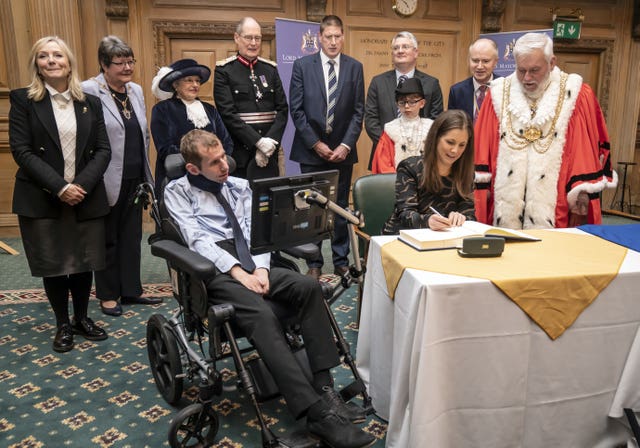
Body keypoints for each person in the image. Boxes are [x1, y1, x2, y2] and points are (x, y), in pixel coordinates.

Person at [164, 129, 376, 448]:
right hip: (214, 270)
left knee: (308, 287)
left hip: (254, 259)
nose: (225, 165)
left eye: (224, 156)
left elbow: (256, 232)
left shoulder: (239, 186)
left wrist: (260, 268)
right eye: (214, 162)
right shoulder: (177, 191)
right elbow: (197, 239)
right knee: (261, 313)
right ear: (193, 168)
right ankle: (316, 414)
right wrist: (240, 273)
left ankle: (325, 391)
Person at [9, 36, 110, 352]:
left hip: (85, 195)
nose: (51, 60)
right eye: (43, 56)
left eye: (57, 55)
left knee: (83, 262)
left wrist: (80, 186)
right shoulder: (23, 100)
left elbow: (103, 151)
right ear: (36, 64)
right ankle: (63, 324)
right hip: (42, 197)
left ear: (69, 63)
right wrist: (60, 187)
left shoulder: (90, 102)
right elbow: (22, 151)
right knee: (54, 264)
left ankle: (81, 318)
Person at [474, 32, 616, 229]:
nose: (527, 78)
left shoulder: (576, 95)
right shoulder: (498, 94)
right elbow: (482, 149)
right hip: (505, 205)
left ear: (551, 62)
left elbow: (584, 148)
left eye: (534, 70)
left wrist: (582, 192)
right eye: (521, 70)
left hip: (556, 204)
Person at [82, 36, 161, 316]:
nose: (128, 67)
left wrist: (146, 174)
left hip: (135, 176)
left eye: (130, 61)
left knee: (131, 236)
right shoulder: (89, 90)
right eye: (120, 62)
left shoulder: (135, 90)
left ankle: (130, 290)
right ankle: (108, 295)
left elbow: (143, 133)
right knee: (107, 238)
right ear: (104, 64)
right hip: (105, 178)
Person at [289, 15, 365, 280]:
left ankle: (341, 260)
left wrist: (345, 145)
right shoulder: (302, 66)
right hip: (311, 151)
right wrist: (316, 144)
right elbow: (296, 110)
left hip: (343, 152)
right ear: (319, 38)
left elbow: (358, 111)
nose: (333, 41)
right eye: (328, 36)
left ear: (343, 37)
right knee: (311, 208)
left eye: (337, 36)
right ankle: (314, 261)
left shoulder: (355, 67)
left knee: (340, 206)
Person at [214, 17, 288, 180]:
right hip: (241, 154)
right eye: (248, 37)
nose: (254, 43)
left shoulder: (270, 69)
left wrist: (269, 143)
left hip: (271, 152)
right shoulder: (224, 71)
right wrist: (258, 142)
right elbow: (228, 114)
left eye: (258, 38)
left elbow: (282, 110)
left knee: (271, 202)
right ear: (236, 38)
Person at [383, 110, 476, 234]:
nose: (455, 150)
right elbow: (405, 215)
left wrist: (461, 217)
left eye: (462, 145)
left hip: (445, 238)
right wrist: (427, 221)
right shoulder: (409, 168)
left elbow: (469, 213)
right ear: (436, 138)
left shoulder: (466, 173)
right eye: (450, 142)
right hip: (402, 237)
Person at [150, 58, 233, 193]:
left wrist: (215, 164)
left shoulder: (210, 110)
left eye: (197, 81)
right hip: (178, 180)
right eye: (189, 80)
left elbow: (226, 142)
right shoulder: (162, 109)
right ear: (175, 84)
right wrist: (201, 162)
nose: (195, 85)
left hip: (213, 178)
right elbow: (165, 148)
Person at [364, 31, 443, 169]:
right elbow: (371, 120)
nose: (400, 51)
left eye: (405, 47)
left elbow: (436, 121)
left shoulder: (432, 84)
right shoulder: (378, 82)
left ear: (416, 52)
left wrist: (418, 148)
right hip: (385, 158)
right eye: (396, 48)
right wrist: (390, 144)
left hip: (423, 159)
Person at [371, 77, 434, 173]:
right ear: (397, 104)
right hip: (397, 183)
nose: (407, 106)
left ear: (422, 103)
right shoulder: (390, 130)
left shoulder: (431, 128)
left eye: (412, 102)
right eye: (402, 102)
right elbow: (383, 165)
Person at [448, 37, 499, 122]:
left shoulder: (506, 88)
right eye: (475, 61)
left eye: (485, 61)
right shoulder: (457, 92)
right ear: (469, 60)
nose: (479, 66)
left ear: (495, 62)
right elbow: (452, 125)